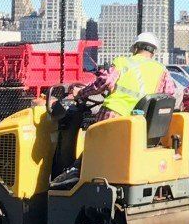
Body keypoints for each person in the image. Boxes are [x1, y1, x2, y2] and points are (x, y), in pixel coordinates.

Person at [52, 34, 178, 184]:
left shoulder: (122, 62)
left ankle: (76, 170)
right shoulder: (161, 70)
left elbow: (103, 83)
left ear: (135, 48)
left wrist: (81, 93)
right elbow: (169, 94)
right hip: (142, 122)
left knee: (93, 142)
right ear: (153, 52)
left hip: (115, 115)